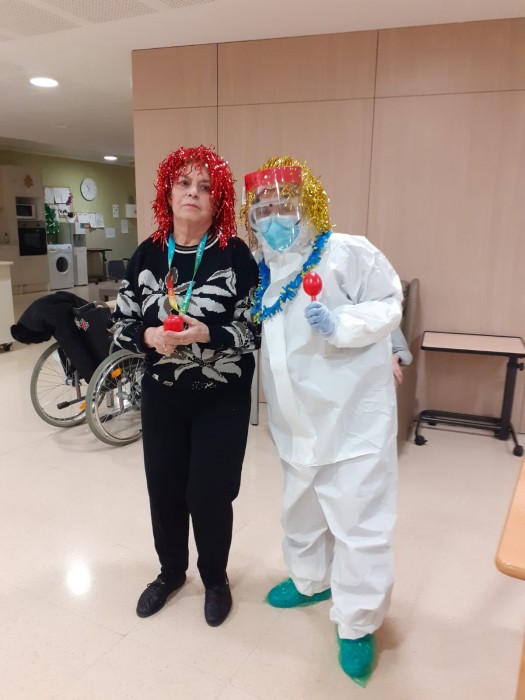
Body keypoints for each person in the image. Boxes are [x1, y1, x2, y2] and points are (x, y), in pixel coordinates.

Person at [241, 157, 403, 685]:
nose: (274, 217)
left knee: (359, 523)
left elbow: (389, 303)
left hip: (353, 420)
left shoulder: (346, 253)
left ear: (307, 204)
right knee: (301, 510)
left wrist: (341, 324)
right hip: (296, 423)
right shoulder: (262, 269)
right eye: (263, 209)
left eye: (283, 205)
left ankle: (358, 624)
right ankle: (310, 581)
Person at [110, 145, 260, 626]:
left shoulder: (234, 255)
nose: (193, 193)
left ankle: (215, 579)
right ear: (168, 192)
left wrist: (206, 334)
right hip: (163, 396)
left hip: (222, 397)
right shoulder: (147, 253)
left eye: (205, 187)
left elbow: (255, 329)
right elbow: (120, 324)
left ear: (218, 202)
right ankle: (170, 573)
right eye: (184, 183)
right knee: (165, 489)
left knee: (209, 493)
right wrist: (149, 336)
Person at [10, 291, 107, 382]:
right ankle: (89, 373)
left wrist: (91, 377)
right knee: (69, 343)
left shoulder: (44, 318)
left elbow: (72, 342)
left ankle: (94, 376)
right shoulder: (31, 318)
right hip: (66, 305)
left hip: (80, 311)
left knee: (71, 343)